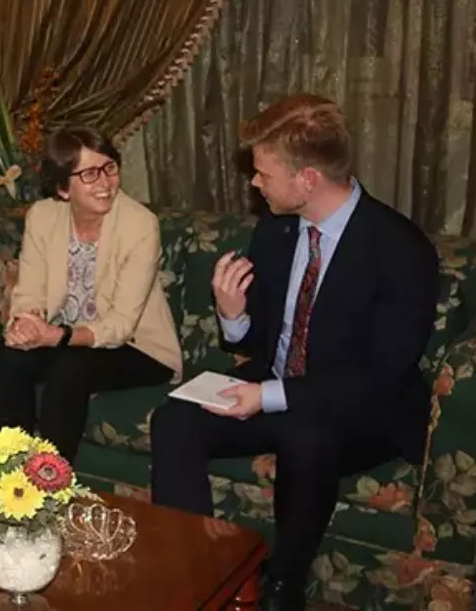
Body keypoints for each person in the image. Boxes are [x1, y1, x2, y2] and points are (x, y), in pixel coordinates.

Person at [149, 95, 439, 611]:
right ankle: (196, 571)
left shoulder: (400, 249)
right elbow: (257, 338)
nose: (254, 184)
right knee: (176, 419)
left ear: (307, 179)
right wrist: (233, 313)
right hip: (276, 388)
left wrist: (267, 396)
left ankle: (283, 586)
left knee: (307, 433)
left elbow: (381, 375)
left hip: (362, 410)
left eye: (264, 174)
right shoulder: (278, 228)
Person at [0, 126, 183, 462]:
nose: (106, 182)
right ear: (63, 188)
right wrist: (26, 324)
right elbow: (30, 290)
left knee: (70, 366)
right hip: (64, 340)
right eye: (90, 174)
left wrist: (59, 336)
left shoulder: (140, 224)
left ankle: (50, 480)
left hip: (138, 348)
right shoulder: (43, 216)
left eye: (110, 168)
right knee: (9, 358)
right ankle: (7, 469)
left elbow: (121, 325)